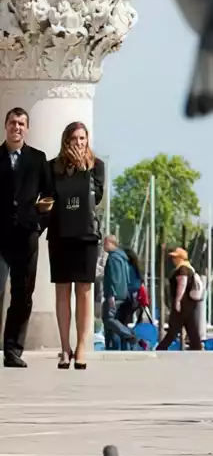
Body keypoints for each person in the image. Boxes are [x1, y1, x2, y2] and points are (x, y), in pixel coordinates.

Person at [44, 121, 106, 370]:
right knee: (62, 290)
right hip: (60, 235)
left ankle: (81, 347)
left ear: (87, 140)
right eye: (74, 138)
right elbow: (48, 195)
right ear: (66, 140)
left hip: (86, 236)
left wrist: (82, 170)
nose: (79, 143)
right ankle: (64, 348)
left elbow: (97, 197)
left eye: (82, 138)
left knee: (84, 290)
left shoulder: (96, 166)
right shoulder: (52, 167)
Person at [0, 106, 53, 368]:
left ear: (27, 128)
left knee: (23, 294)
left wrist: (37, 225)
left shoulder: (38, 159)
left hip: (26, 235)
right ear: (6, 126)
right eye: (12, 122)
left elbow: (50, 195)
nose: (16, 127)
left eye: (21, 123)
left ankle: (12, 350)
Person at [158, 246, 204, 351]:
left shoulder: (182, 269)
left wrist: (178, 300)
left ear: (181, 258)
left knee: (174, 328)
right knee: (190, 326)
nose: (173, 260)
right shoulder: (189, 268)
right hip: (189, 303)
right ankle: (197, 346)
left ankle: (161, 348)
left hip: (183, 302)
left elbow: (182, 283)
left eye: (175, 257)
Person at [100, 235, 140, 351]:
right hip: (123, 294)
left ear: (112, 244)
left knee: (109, 319)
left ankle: (130, 335)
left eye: (105, 243)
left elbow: (114, 278)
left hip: (114, 294)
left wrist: (111, 295)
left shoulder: (113, 257)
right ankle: (112, 346)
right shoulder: (123, 258)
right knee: (115, 321)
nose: (103, 246)